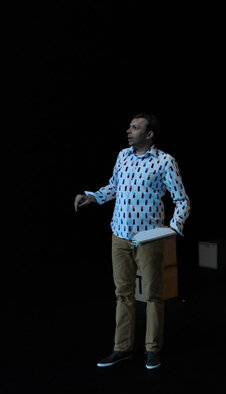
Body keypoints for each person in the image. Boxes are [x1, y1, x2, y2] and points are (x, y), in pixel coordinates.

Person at [74, 113, 190, 370]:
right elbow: (114, 187)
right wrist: (90, 197)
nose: (129, 130)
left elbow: (182, 200)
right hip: (119, 236)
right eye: (129, 126)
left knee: (152, 295)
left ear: (149, 134)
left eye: (135, 127)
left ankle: (153, 349)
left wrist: (173, 228)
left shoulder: (165, 161)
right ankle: (122, 348)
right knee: (123, 295)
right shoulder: (122, 156)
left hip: (148, 238)